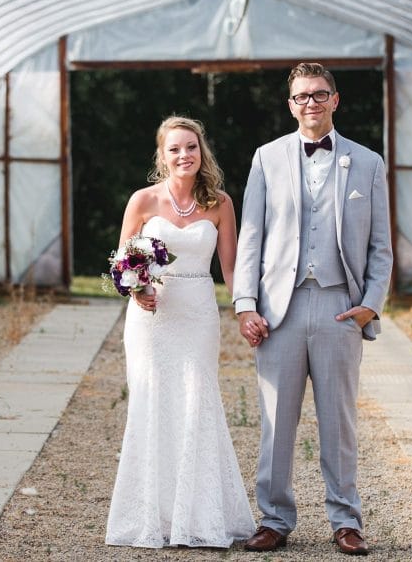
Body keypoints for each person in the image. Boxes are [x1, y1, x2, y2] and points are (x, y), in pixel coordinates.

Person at [233, 63, 393, 555]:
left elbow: (381, 247)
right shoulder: (267, 158)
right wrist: (244, 304)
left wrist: (368, 306)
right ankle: (275, 519)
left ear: (335, 100)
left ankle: (346, 520)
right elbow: (251, 237)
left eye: (320, 95)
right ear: (291, 104)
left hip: (339, 307)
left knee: (338, 420)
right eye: (302, 96)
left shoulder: (367, 163)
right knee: (275, 421)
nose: (311, 103)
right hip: (278, 309)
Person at [105, 116, 256, 549]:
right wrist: (136, 290)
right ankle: (153, 517)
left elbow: (230, 270)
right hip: (152, 320)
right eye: (174, 149)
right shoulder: (143, 200)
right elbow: (121, 263)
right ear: (162, 155)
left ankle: (200, 518)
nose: (184, 155)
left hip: (198, 313)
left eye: (191, 147)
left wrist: (244, 310)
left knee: (197, 401)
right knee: (153, 403)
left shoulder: (221, 203)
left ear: (201, 151)